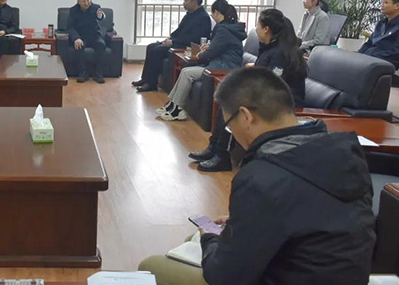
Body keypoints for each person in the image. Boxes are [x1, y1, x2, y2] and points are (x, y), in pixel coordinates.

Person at [139, 67, 375, 285]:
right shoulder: (345, 154)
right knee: (197, 239)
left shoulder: (262, 176)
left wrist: (211, 239)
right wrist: (248, 219)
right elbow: (309, 213)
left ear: (246, 116)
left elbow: (225, 276)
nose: (231, 132)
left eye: (228, 124)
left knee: (153, 266)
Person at [189, 9, 307, 172]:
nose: (256, 28)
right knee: (227, 101)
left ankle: (222, 156)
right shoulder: (270, 48)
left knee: (235, 106)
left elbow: (273, 83)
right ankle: (214, 148)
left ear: (266, 29)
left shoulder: (280, 53)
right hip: (269, 96)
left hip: (284, 103)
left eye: (258, 24)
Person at [157, 0, 246, 121]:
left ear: (216, 13)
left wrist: (200, 54)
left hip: (222, 68)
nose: (212, 16)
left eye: (212, 13)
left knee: (187, 73)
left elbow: (211, 53)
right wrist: (208, 47)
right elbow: (219, 47)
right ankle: (172, 104)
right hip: (222, 64)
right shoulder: (230, 28)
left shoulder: (224, 30)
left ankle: (177, 109)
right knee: (185, 71)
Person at [134, 0, 212, 92]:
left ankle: (151, 84)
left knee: (157, 50)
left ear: (194, 2)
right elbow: (179, 31)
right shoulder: (190, 14)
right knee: (151, 46)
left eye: (186, 1)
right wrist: (169, 38)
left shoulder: (203, 17)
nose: (183, 3)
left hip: (186, 46)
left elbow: (194, 38)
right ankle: (145, 79)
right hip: (178, 42)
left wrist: (173, 42)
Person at [67, 0, 108, 83]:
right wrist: (76, 38)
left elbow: (101, 16)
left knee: (101, 45)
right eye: (83, 1)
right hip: (81, 36)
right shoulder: (73, 10)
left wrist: (100, 16)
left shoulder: (96, 7)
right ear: (78, 1)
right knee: (79, 46)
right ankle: (83, 73)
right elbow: (70, 27)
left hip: (95, 35)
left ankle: (98, 74)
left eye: (88, 1)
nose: (86, 3)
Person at [359, 0, 399, 69]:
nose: (382, 5)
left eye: (386, 3)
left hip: (384, 63)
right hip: (370, 59)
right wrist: (357, 55)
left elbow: (396, 52)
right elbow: (369, 43)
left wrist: (371, 56)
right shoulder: (381, 23)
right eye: (382, 2)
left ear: (397, 6)